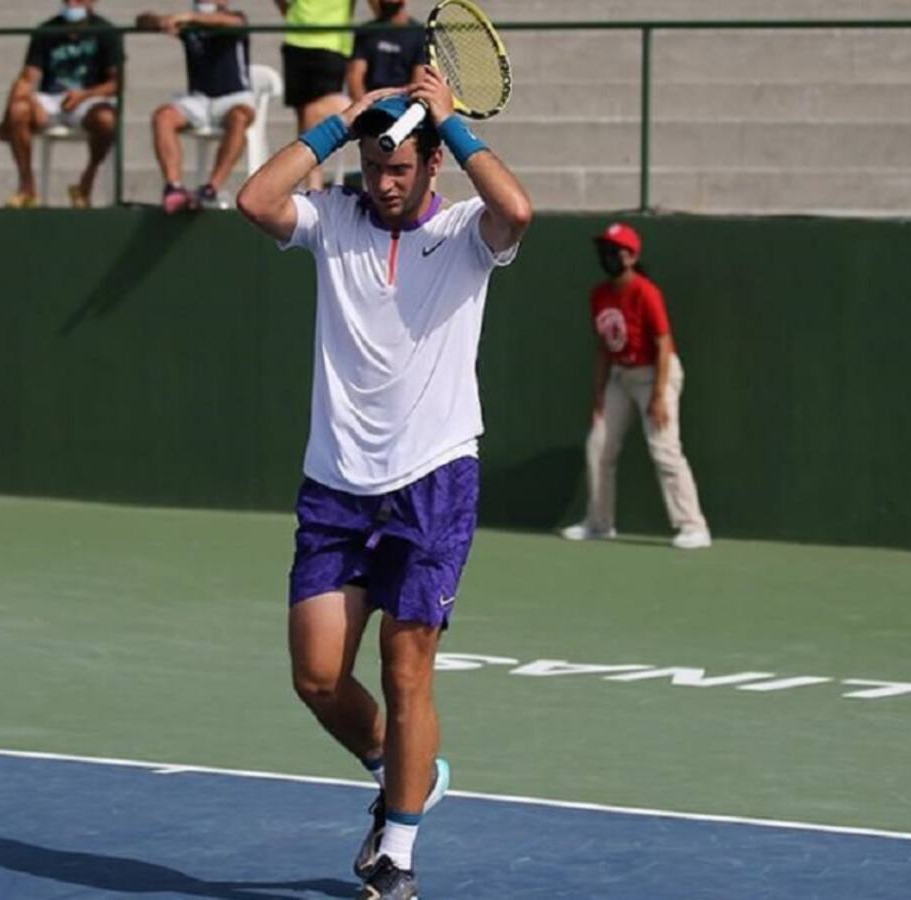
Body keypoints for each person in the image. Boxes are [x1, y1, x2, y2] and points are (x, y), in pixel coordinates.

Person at [237, 68, 531, 899]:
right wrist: (342, 122)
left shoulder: (472, 229)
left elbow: (520, 211)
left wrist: (454, 124)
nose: (385, 182)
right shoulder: (331, 220)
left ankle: (397, 853)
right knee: (318, 677)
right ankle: (402, 770)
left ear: (431, 166)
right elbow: (256, 203)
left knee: (408, 674)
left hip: (433, 482)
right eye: (374, 167)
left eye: (400, 168)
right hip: (335, 486)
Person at [561, 223, 712, 550]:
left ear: (631, 256)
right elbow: (603, 347)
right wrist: (599, 394)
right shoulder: (599, 295)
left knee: (664, 448)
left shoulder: (646, 292)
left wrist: (658, 396)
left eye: (614, 250)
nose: (608, 256)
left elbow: (663, 344)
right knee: (598, 446)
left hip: (657, 374)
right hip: (621, 376)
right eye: (604, 250)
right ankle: (600, 524)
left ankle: (693, 526)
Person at [0, 0, 123, 209]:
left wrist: (84, 95)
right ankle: (27, 188)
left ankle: (85, 182)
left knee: (106, 120)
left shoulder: (106, 31)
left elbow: (117, 83)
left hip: (89, 97)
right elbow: (27, 77)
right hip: (52, 98)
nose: (72, 3)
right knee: (19, 110)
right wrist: (18, 107)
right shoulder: (47, 30)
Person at [138, 3, 254, 212]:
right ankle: (174, 188)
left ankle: (211, 188)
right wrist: (161, 21)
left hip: (234, 97)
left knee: (239, 118)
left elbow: (235, 23)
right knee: (163, 116)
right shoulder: (187, 24)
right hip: (199, 99)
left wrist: (189, 17)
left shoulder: (234, 17)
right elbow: (142, 20)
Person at [274, 0, 356, 190]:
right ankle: (312, 182)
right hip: (296, 41)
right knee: (303, 118)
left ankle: (316, 184)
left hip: (331, 44)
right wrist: (292, 15)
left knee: (315, 114)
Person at [346, 0, 426, 101]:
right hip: (370, 101)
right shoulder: (366, 31)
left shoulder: (419, 34)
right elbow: (355, 77)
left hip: (402, 102)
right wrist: (363, 106)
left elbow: (418, 80)